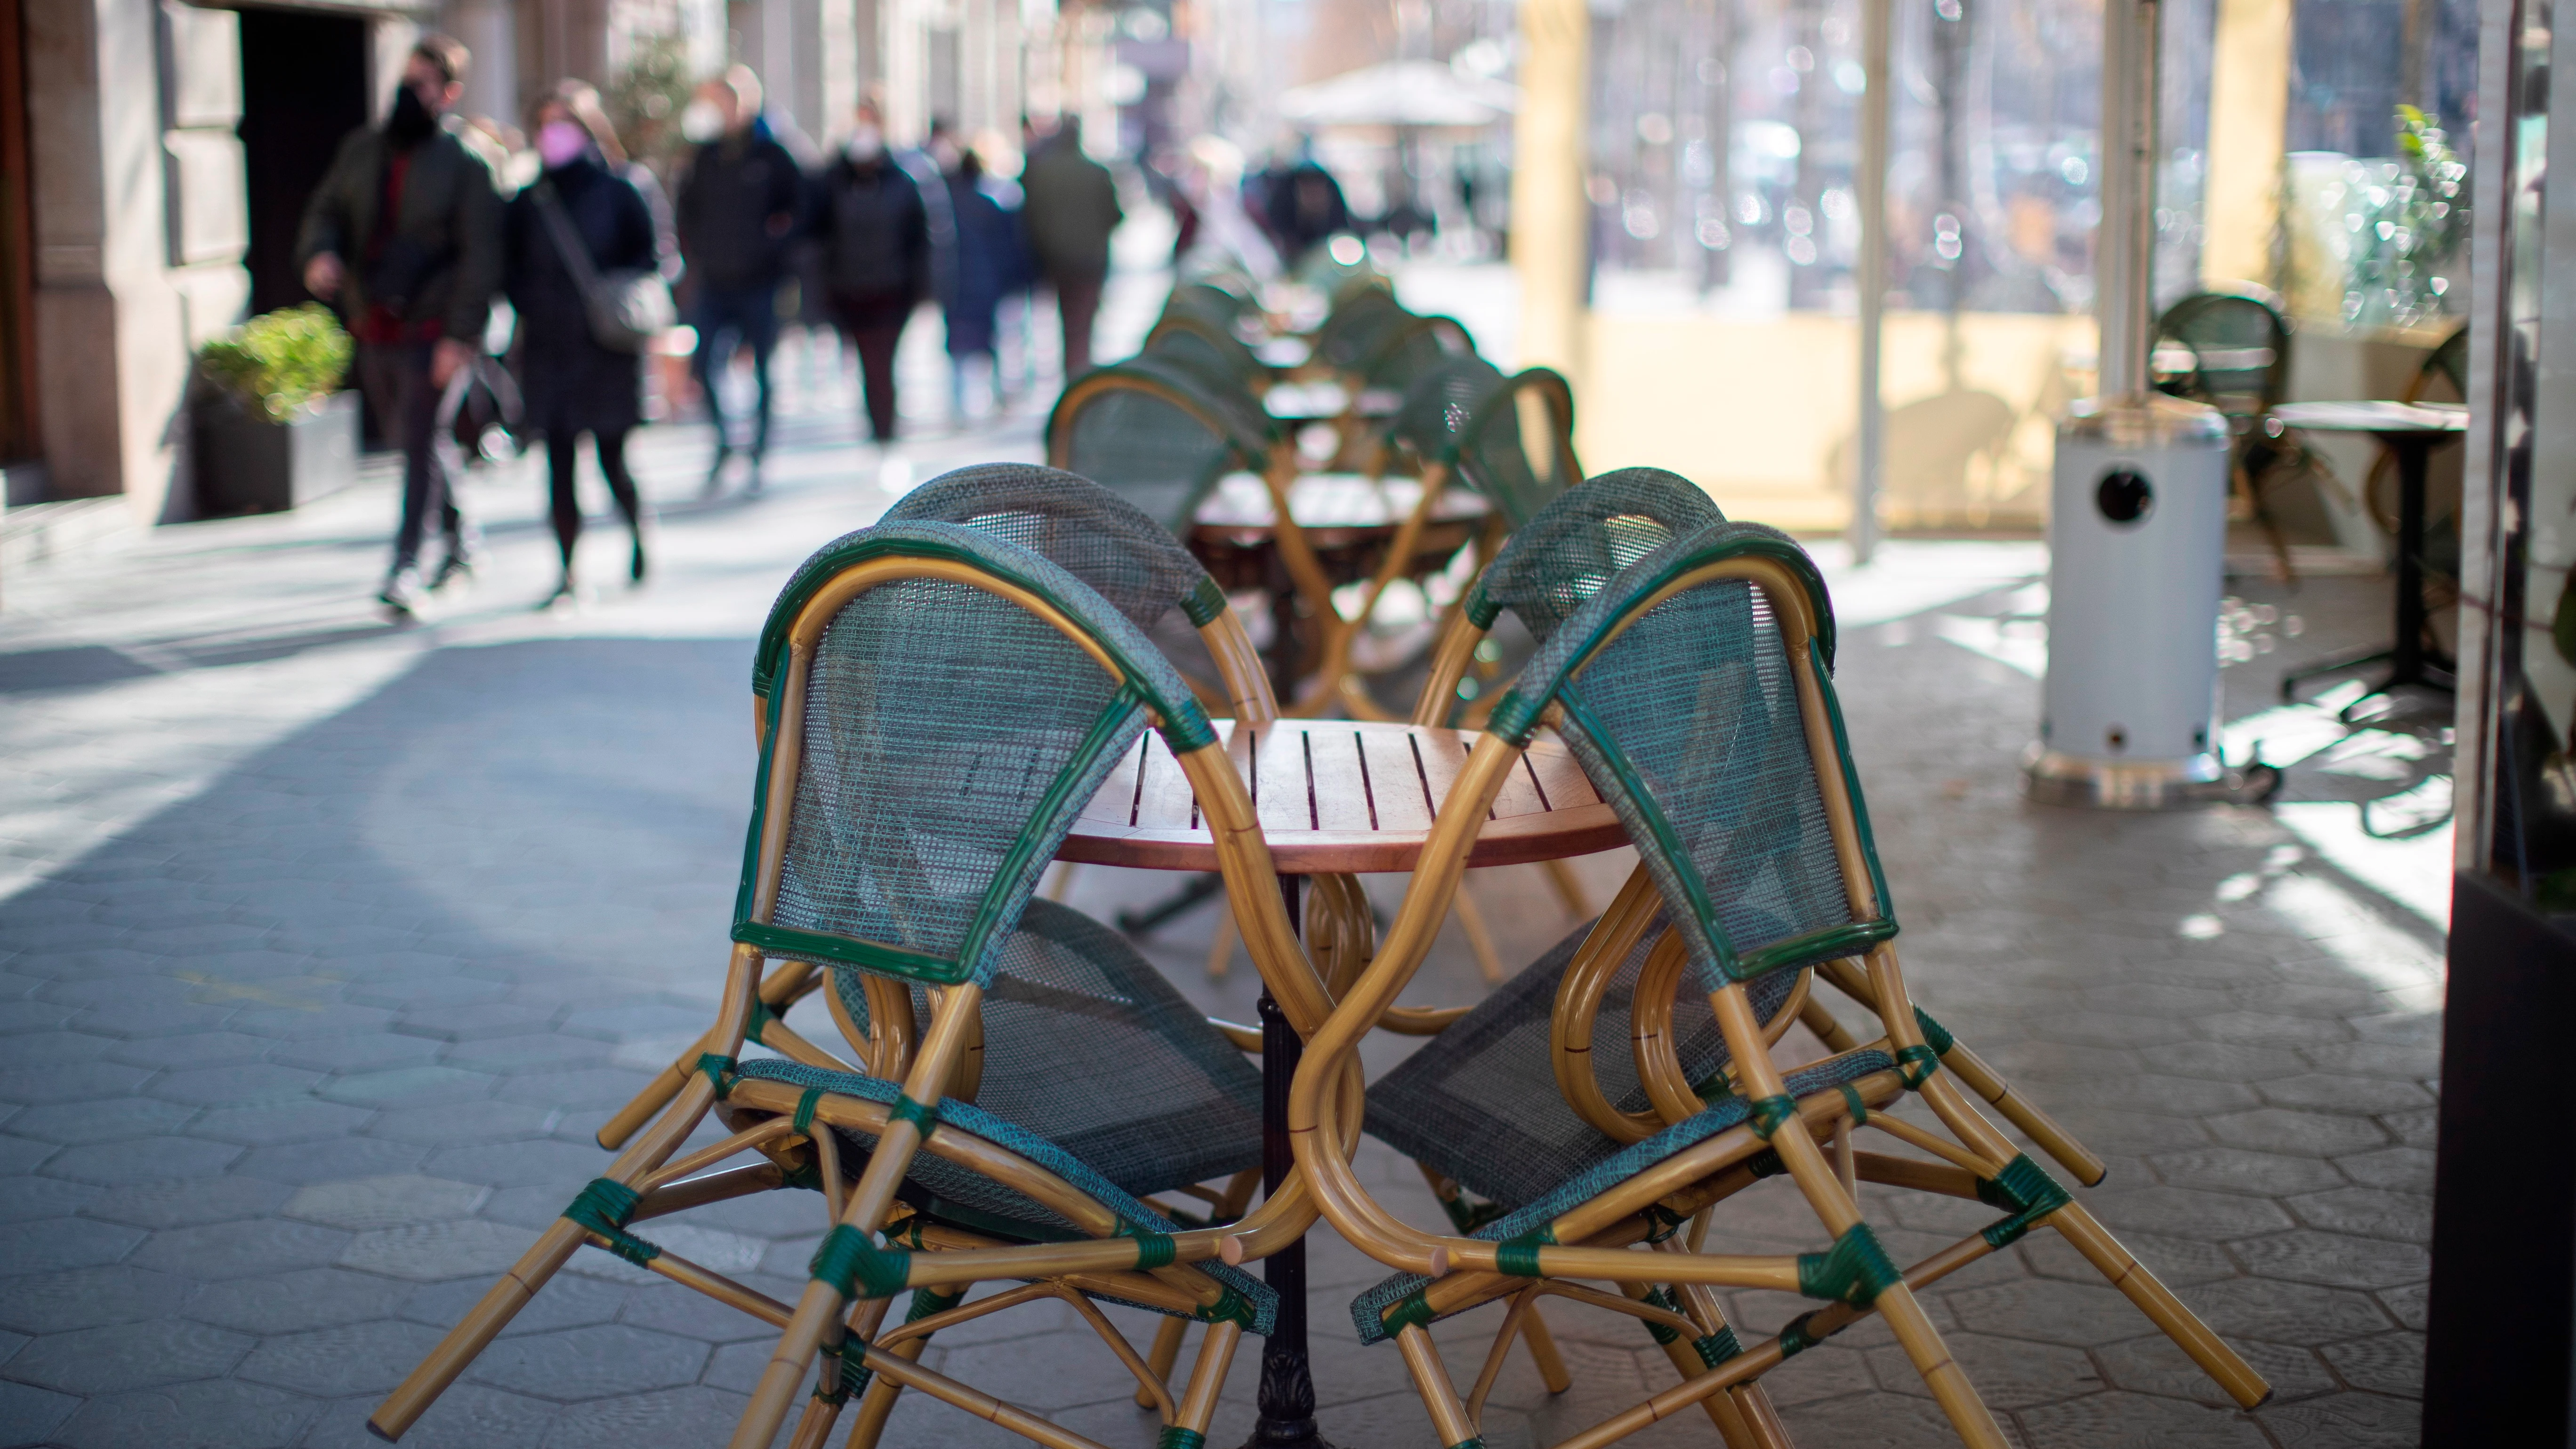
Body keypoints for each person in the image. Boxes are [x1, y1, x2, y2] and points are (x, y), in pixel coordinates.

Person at [294, 34, 502, 615]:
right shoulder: (363, 149)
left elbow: (482, 258)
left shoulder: (466, 164)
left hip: (433, 330)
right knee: (419, 440)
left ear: (449, 93)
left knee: (417, 444)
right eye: (405, 80)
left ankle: (406, 566)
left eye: (422, 84)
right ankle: (464, 541)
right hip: (374, 324)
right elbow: (327, 211)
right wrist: (320, 253)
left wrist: (461, 337)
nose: (409, 93)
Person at [503, 81, 674, 607]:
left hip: (606, 347)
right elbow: (508, 269)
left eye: (565, 123)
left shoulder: (622, 188)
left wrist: (611, 293)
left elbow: (654, 259)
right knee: (556, 463)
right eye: (545, 123)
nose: (554, 134)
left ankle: (638, 531)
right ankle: (569, 570)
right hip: (548, 348)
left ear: (587, 128)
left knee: (611, 458)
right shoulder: (529, 199)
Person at [673, 65, 802, 491]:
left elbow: (800, 211)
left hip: (761, 282)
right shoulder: (705, 156)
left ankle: (759, 452)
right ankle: (724, 443)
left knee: (764, 369)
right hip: (714, 281)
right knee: (704, 363)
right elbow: (686, 211)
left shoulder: (773, 155)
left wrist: (775, 254)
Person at [813, 99, 929, 443]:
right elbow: (819, 236)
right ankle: (878, 429)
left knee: (883, 366)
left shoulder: (904, 178)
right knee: (867, 366)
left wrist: (924, 290)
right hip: (850, 292)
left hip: (892, 292)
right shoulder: (834, 179)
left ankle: (887, 432)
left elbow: (921, 239)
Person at [1017, 116, 1121, 381]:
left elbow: (1031, 217)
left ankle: (1074, 375)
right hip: (1089, 261)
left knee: (1067, 320)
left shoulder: (1042, 172)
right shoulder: (1096, 172)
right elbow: (1115, 216)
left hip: (1057, 260)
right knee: (1083, 324)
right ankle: (1078, 375)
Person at [937, 144, 1030, 423]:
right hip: (986, 282)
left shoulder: (946, 207)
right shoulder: (987, 207)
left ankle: (958, 406)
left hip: (955, 284)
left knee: (957, 346)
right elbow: (1008, 247)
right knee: (990, 341)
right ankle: (995, 397)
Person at [1262, 140, 1352, 265]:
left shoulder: (1336, 214)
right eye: (1307, 187)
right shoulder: (1281, 212)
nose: (1313, 193)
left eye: (1317, 186)